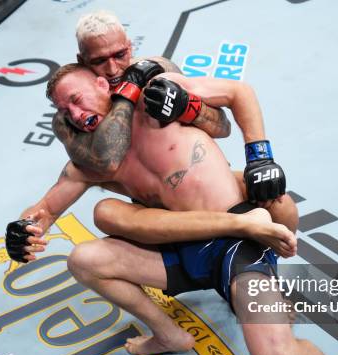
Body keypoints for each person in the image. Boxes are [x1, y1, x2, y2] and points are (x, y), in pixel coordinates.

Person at [5, 62, 338, 355]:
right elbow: (45, 210)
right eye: (65, 111)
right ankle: (168, 335)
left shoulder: (160, 96)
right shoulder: (95, 160)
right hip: (176, 252)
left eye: (77, 100)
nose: (76, 115)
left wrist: (259, 156)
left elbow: (236, 97)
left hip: (237, 244)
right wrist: (22, 231)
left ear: (103, 84)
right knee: (85, 256)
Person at [68, 11, 299, 239]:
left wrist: (260, 158)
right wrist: (31, 225)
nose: (112, 69)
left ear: (130, 46)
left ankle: (264, 263)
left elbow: (222, 126)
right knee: (103, 219)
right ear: (82, 61)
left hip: (205, 186)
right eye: (99, 61)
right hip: (156, 212)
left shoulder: (157, 72)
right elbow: (80, 176)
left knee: (282, 206)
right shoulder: (73, 115)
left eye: (119, 55)